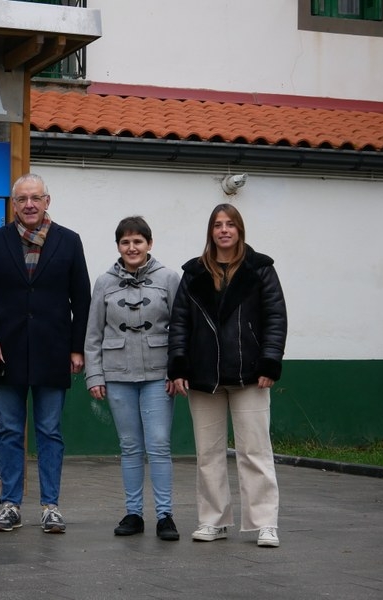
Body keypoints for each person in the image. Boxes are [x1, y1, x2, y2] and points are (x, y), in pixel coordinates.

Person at [0, 173, 91, 534]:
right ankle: (10, 505)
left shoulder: (69, 242)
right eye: (22, 199)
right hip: (5, 353)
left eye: (35, 198)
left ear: (47, 201)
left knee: (50, 431)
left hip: (53, 350)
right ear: (14, 204)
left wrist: (76, 347)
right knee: (9, 430)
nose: (29, 205)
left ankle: (50, 506)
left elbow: (82, 299)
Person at [167, 203, 288, 548]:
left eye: (230, 224)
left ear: (239, 230)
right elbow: (179, 323)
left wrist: (269, 363)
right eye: (218, 225)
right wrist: (178, 366)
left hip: (250, 375)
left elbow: (275, 318)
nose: (224, 230)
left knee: (255, 451)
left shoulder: (261, 269)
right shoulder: (193, 273)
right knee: (208, 453)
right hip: (204, 378)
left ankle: (265, 522)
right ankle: (213, 520)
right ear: (211, 232)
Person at [83, 216, 181, 541]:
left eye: (138, 241)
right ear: (118, 247)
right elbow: (93, 333)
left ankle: (165, 516)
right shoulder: (104, 283)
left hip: (158, 375)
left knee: (159, 445)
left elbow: (182, 330)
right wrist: (94, 374)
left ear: (149, 244)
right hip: (117, 375)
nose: (132, 247)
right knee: (129, 446)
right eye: (125, 242)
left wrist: (177, 370)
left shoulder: (169, 278)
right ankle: (133, 513)